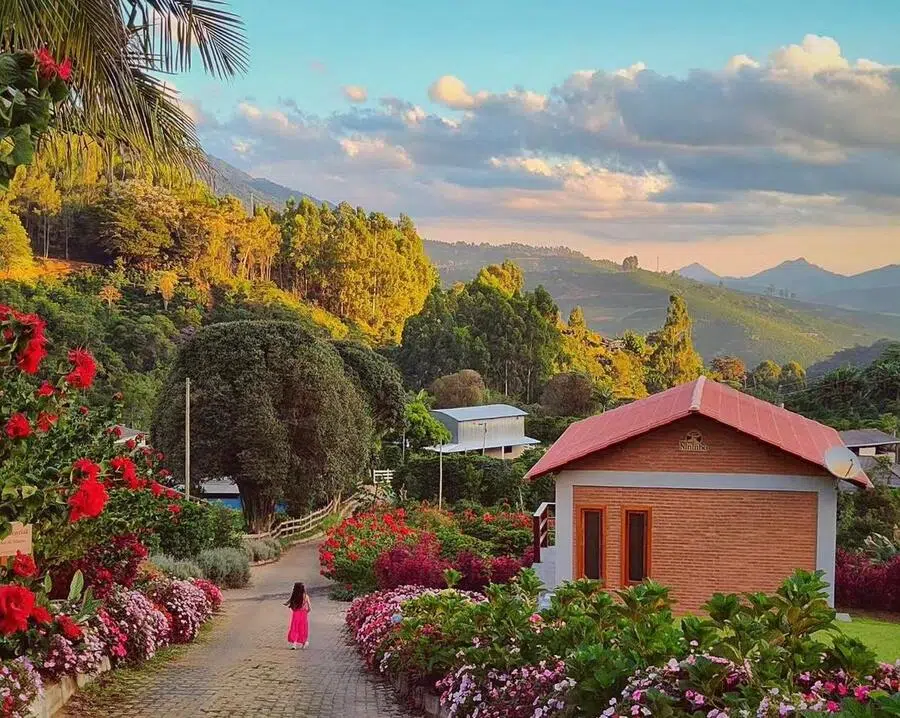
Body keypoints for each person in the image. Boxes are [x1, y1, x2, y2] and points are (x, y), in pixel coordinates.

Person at [285, 581, 310, 649]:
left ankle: (294, 644)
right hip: (303, 614)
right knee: (302, 628)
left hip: (296, 613)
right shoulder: (306, 596)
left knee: (295, 628)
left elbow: (290, 604)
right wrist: (306, 611)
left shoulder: (294, 596)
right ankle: (304, 643)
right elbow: (309, 607)